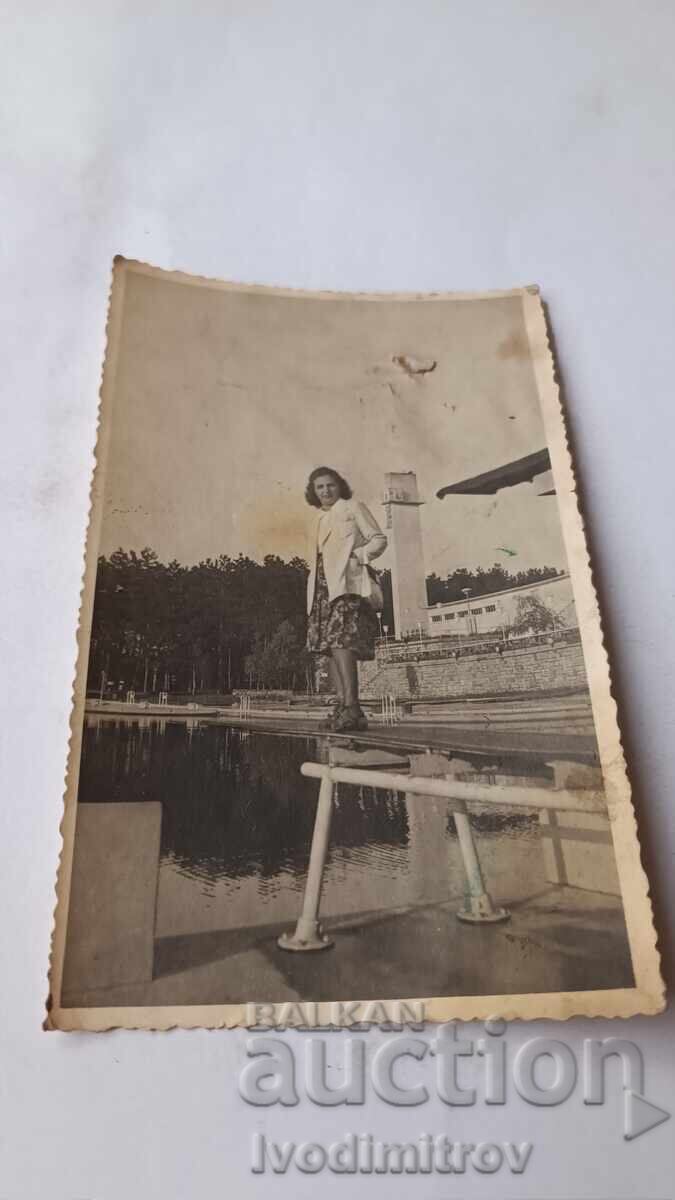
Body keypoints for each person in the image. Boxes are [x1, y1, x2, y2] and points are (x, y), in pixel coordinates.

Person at [305, 466, 387, 732]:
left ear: (339, 486)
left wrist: (359, 557)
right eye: (320, 487)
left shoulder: (353, 507)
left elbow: (378, 539)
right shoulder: (318, 519)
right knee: (329, 646)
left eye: (330, 485)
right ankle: (342, 706)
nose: (326, 491)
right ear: (314, 492)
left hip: (348, 584)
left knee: (342, 641)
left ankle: (352, 707)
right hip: (322, 588)